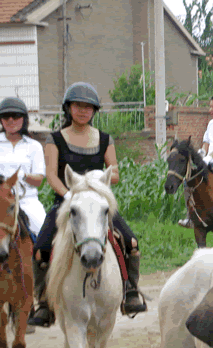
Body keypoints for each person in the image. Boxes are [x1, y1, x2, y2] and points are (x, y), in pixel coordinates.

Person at [28, 82, 147, 328]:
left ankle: (130, 291)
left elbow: (114, 174)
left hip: (96, 202)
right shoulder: (55, 139)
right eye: (77, 106)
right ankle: (43, 303)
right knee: (40, 249)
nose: (83, 111)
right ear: (68, 109)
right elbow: (51, 175)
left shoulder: (104, 139)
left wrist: (94, 183)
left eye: (88, 107)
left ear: (94, 111)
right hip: (66, 203)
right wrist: (70, 196)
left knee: (131, 242)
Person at [178, 94, 213, 228]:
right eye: (210, 106)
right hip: (208, 163)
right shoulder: (211, 123)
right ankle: (191, 216)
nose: (210, 110)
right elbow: (206, 142)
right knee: (188, 181)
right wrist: (203, 152)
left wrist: (211, 156)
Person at [0, 97, 46, 236]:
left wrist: (23, 176)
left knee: (43, 232)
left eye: (16, 116)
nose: (10, 120)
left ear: (24, 119)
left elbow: (38, 180)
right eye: (5, 116)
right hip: (1, 200)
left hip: (27, 200)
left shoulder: (34, 146)